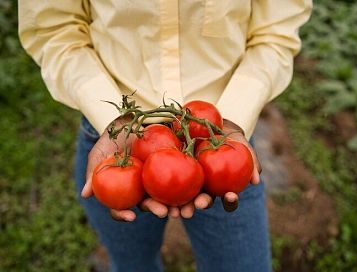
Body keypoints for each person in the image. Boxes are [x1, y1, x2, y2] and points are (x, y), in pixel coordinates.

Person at [19, 1, 312, 271]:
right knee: (132, 265)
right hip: (118, 145)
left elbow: (276, 31)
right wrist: (117, 121)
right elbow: (55, 29)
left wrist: (234, 116)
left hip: (222, 139)